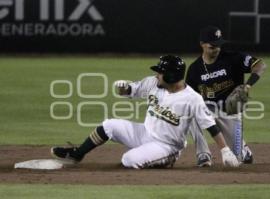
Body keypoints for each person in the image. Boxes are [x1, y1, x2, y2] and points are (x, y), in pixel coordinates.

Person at [51, 55, 240, 169]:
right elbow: (132, 90)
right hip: (144, 133)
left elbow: (211, 126)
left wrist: (225, 151)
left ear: (172, 75)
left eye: (160, 72)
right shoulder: (153, 83)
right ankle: (77, 154)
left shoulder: (192, 98)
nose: (157, 74)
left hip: (167, 146)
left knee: (129, 160)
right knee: (109, 125)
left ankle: (164, 160)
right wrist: (123, 88)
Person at [186, 26, 267, 167]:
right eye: (212, 46)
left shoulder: (234, 58)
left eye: (219, 45)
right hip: (208, 110)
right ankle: (203, 155)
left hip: (230, 112)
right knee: (190, 111)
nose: (217, 48)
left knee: (238, 159)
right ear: (202, 44)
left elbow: (260, 65)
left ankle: (243, 150)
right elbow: (188, 96)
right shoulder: (194, 69)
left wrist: (248, 85)